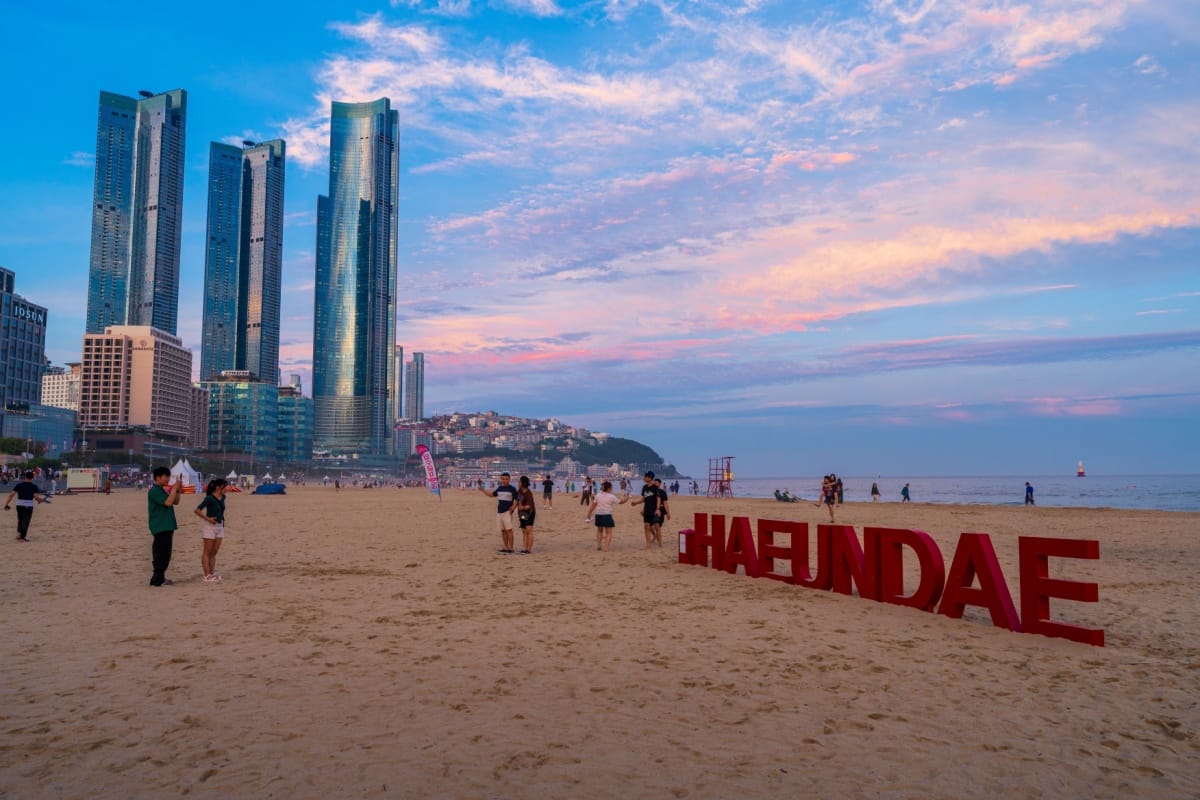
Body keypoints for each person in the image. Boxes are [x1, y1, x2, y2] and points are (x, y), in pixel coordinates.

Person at [148, 466, 182, 586]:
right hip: (160, 526)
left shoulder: (162, 490)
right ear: (158, 477)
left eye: (168, 476)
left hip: (167, 525)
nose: (167, 479)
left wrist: (177, 490)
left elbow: (175, 502)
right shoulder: (154, 490)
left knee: (165, 554)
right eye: (165, 476)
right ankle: (157, 579)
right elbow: (167, 503)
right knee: (161, 553)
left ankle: (160, 578)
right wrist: (174, 489)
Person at [194, 478, 228, 581]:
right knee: (207, 551)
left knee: (214, 552)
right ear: (218, 487)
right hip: (210, 526)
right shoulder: (209, 498)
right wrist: (208, 518)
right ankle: (206, 575)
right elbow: (197, 510)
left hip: (220, 526)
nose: (226, 488)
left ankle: (211, 573)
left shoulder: (223, 497)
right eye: (224, 486)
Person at [479, 473, 519, 554]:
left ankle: (511, 548)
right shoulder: (500, 488)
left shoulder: (512, 489)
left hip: (507, 512)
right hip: (499, 512)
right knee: (503, 530)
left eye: (506, 479)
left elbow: (516, 500)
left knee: (509, 530)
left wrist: (512, 509)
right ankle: (505, 547)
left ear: (509, 479)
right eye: (503, 479)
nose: (504, 480)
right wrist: (483, 490)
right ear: (501, 479)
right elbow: (491, 495)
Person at [4, 471, 47, 542]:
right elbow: (36, 497)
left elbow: (11, 495)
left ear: (25, 476)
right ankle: (22, 537)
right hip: (28, 505)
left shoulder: (19, 485)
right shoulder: (34, 486)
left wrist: (6, 504)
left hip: (19, 505)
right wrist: (41, 500)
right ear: (32, 478)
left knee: (20, 520)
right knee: (25, 521)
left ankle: (18, 534)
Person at [588, 480, 630, 551]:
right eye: (611, 488)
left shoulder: (598, 495)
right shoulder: (611, 496)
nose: (612, 489)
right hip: (607, 515)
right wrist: (627, 498)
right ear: (608, 488)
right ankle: (606, 547)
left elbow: (593, 505)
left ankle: (599, 545)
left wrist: (588, 514)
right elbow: (621, 502)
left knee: (599, 531)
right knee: (608, 532)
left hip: (599, 514)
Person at [630, 471, 660, 548]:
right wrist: (636, 503)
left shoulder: (655, 487)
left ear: (650, 478)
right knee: (646, 526)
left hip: (654, 510)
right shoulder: (644, 487)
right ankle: (648, 544)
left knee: (656, 527)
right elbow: (644, 499)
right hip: (647, 510)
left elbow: (658, 499)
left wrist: (657, 509)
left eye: (645, 477)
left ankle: (660, 543)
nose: (644, 478)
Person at [516, 476, 537, 554]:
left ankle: (528, 549)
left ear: (523, 483)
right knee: (524, 531)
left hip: (530, 513)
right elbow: (517, 500)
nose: (518, 483)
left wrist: (522, 507)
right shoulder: (519, 491)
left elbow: (529, 506)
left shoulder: (529, 493)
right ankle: (524, 548)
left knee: (529, 530)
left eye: (519, 482)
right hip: (522, 513)